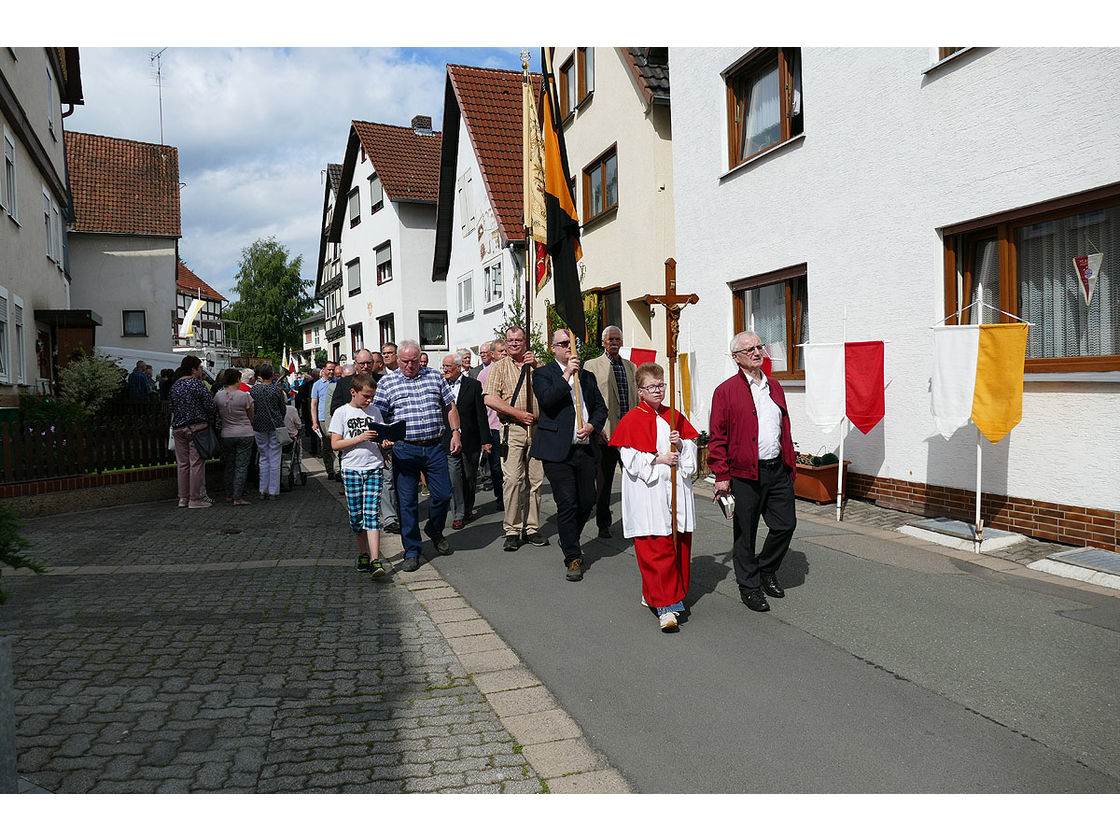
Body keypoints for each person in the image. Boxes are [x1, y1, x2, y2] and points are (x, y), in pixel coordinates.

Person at [709, 330, 797, 613]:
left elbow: (782, 427)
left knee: (785, 524)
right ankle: (749, 586)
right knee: (745, 533)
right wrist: (721, 475)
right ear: (736, 358)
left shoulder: (774, 386)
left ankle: (766, 569)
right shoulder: (725, 391)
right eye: (750, 349)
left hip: (776, 469)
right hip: (744, 473)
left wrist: (789, 460)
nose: (758, 352)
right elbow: (717, 436)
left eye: (760, 347)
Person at [611, 362, 699, 631]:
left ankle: (663, 595)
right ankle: (665, 607)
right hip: (649, 495)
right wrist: (659, 458)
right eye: (652, 387)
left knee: (677, 545)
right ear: (641, 391)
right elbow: (629, 459)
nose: (658, 390)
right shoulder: (631, 420)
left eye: (661, 385)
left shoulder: (675, 416)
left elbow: (692, 456)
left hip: (676, 495)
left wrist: (682, 444)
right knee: (656, 548)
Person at [373, 339, 462, 572]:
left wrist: (455, 433)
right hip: (405, 449)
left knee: (443, 495)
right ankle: (412, 550)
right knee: (407, 502)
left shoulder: (434, 377)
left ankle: (434, 529)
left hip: (434, 447)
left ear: (420, 358)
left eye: (414, 361)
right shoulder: (387, 382)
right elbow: (378, 417)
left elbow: (450, 407)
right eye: (405, 361)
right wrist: (383, 438)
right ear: (398, 360)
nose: (410, 365)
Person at [530, 328, 607, 581]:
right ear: (553, 348)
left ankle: (568, 536)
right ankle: (573, 556)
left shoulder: (587, 377)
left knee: (587, 501)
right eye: (563, 344)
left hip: (584, 449)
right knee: (567, 502)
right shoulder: (543, 374)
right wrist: (566, 374)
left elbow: (600, 408)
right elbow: (548, 400)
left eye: (572, 344)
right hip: (557, 451)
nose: (569, 348)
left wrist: (592, 426)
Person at [484, 327, 547, 552]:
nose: (513, 344)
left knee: (536, 480)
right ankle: (512, 529)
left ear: (524, 341)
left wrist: (538, 366)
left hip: (538, 429)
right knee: (512, 480)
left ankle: (532, 527)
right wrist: (517, 413)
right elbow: (490, 399)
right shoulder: (499, 367)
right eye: (510, 340)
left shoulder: (536, 365)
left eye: (518, 340)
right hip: (513, 429)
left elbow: (554, 387)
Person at [329, 372, 389, 578]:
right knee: (356, 517)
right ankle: (363, 553)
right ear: (353, 392)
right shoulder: (341, 413)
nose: (369, 400)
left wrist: (385, 443)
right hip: (351, 468)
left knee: (371, 514)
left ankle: (375, 560)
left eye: (372, 396)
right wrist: (360, 438)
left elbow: (380, 438)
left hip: (373, 466)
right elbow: (335, 444)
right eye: (366, 396)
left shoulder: (375, 412)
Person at [585, 325, 638, 539]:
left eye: (617, 339)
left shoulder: (631, 367)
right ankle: (603, 523)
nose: (614, 342)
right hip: (605, 434)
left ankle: (634, 522)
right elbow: (588, 402)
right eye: (610, 339)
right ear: (603, 342)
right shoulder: (592, 366)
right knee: (604, 482)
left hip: (629, 434)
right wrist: (595, 428)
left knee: (634, 480)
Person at [441, 352, 489, 529]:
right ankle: (458, 514)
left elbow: (480, 413)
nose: (445, 370)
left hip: (470, 438)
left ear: (458, 368)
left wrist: (486, 440)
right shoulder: (441, 385)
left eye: (448, 367)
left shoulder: (473, 385)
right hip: (449, 439)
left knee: (469, 476)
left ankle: (468, 506)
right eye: (444, 366)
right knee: (454, 477)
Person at [169, 354, 216, 509]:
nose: (201, 370)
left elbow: (171, 406)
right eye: (200, 367)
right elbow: (210, 406)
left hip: (178, 428)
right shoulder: (197, 384)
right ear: (193, 369)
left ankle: (183, 498)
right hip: (196, 427)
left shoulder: (175, 385)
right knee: (196, 463)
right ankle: (196, 498)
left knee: (182, 464)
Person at [214, 367, 255, 506]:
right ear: (237, 379)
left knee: (229, 465)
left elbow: (216, 413)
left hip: (226, 433)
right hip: (244, 433)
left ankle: (229, 494)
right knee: (241, 465)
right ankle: (238, 496)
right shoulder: (245, 396)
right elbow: (251, 415)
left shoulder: (219, 396)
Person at [250, 362, 288, 500]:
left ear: (259, 376)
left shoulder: (253, 390)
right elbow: (282, 409)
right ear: (272, 375)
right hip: (275, 425)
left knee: (263, 457)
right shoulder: (277, 390)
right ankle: (273, 491)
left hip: (259, 426)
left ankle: (262, 490)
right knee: (275, 458)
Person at [311, 362, 336, 478]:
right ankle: (330, 470)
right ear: (324, 370)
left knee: (337, 444)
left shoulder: (337, 382)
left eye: (333, 369)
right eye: (329, 369)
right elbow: (314, 404)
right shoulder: (317, 385)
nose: (331, 372)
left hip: (336, 417)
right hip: (323, 418)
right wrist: (314, 422)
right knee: (326, 445)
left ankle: (338, 470)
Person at [296, 367, 318, 455]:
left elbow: (299, 399)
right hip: (309, 410)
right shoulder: (308, 386)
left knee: (312, 431)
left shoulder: (305, 386)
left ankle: (314, 450)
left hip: (308, 411)